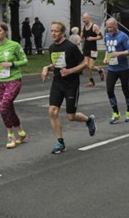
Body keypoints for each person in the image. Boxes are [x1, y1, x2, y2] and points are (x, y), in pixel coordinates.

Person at [41, 21, 97, 154]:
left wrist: (70, 71)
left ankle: (89, 120)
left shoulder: (71, 47)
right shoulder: (52, 48)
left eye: (56, 31)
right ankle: (60, 142)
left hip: (71, 84)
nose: (53, 33)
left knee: (71, 117)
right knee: (52, 111)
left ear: (62, 33)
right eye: (52, 31)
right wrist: (46, 68)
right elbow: (57, 63)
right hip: (57, 83)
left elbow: (84, 64)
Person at [0, 22, 29, 149]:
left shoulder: (14, 45)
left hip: (14, 80)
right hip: (0, 81)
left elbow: (25, 61)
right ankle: (21, 133)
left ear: (5, 32)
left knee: (3, 108)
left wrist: (12, 64)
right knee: (9, 107)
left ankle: (10, 135)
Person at [103, 18, 129, 123]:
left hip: (123, 68)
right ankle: (116, 113)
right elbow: (108, 49)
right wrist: (106, 58)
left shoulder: (123, 36)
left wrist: (119, 53)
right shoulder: (107, 36)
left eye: (111, 27)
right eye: (108, 27)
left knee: (125, 90)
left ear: (116, 25)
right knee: (109, 90)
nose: (110, 29)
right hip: (112, 69)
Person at [78, 13, 105, 87]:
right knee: (86, 66)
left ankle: (100, 70)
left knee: (91, 67)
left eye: (85, 18)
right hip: (86, 49)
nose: (84, 20)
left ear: (89, 18)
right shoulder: (83, 27)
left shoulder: (94, 26)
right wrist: (79, 40)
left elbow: (101, 37)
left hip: (93, 49)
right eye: (83, 19)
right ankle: (91, 82)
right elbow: (81, 36)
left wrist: (93, 38)